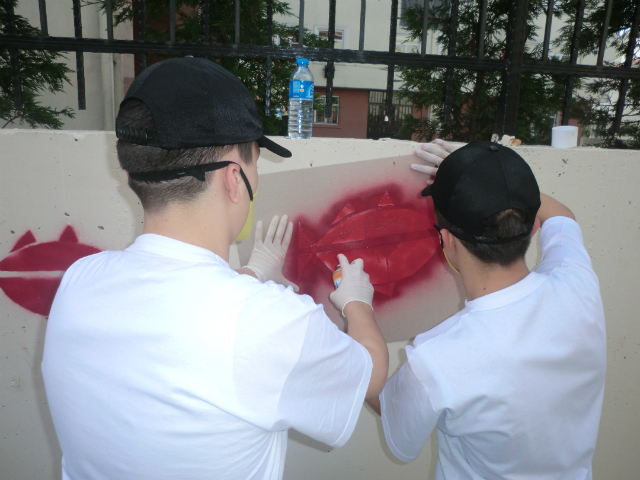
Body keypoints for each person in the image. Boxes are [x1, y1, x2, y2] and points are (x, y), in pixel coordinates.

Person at [41, 57, 388, 480]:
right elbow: (369, 376)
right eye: (256, 163)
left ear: (132, 172)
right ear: (233, 178)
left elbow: (185, 329)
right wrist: (356, 303)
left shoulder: (79, 281)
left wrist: (253, 276)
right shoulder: (270, 323)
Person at [374, 139, 606, 479]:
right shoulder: (578, 285)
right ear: (531, 226)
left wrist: (356, 309)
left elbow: (393, 414)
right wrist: (495, 182)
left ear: (446, 241)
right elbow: (564, 217)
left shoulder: (438, 357)